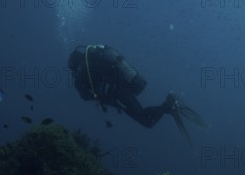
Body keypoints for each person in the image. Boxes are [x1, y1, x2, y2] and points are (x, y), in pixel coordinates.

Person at [68, 44, 208, 148]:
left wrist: (78, 80)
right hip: (124, 85)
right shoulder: (94, 59)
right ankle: (170, 107)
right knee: (145, 119)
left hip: (117, 93)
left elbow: (84, 96)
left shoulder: (82, 70)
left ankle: (170, 104)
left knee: (145, 120)